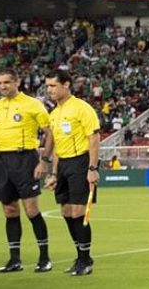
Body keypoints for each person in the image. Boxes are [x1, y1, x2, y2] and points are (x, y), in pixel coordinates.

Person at [41, 70, 101, 275]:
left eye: (53, 85)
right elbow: (57, 146)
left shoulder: (82, 108)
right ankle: (81, 257)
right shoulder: (54, 113)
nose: (49, 90)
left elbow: (94, 139)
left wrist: (92, 168)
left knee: (78, 212)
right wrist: (54, 174)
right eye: (47, 86)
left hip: (81, 162)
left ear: (66, 85)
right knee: (66, 212)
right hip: (63, 165)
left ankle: (85, 261)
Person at [0, 70, 53, 273]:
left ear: (17, 82)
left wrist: (44, 161)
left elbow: (50, 133)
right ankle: (14, 260)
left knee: (31, 210)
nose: (2, 86)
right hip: (1, 160)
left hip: (25, 159)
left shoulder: (32, 104)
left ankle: (44, 258)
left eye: (6, 82)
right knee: (10, 211)